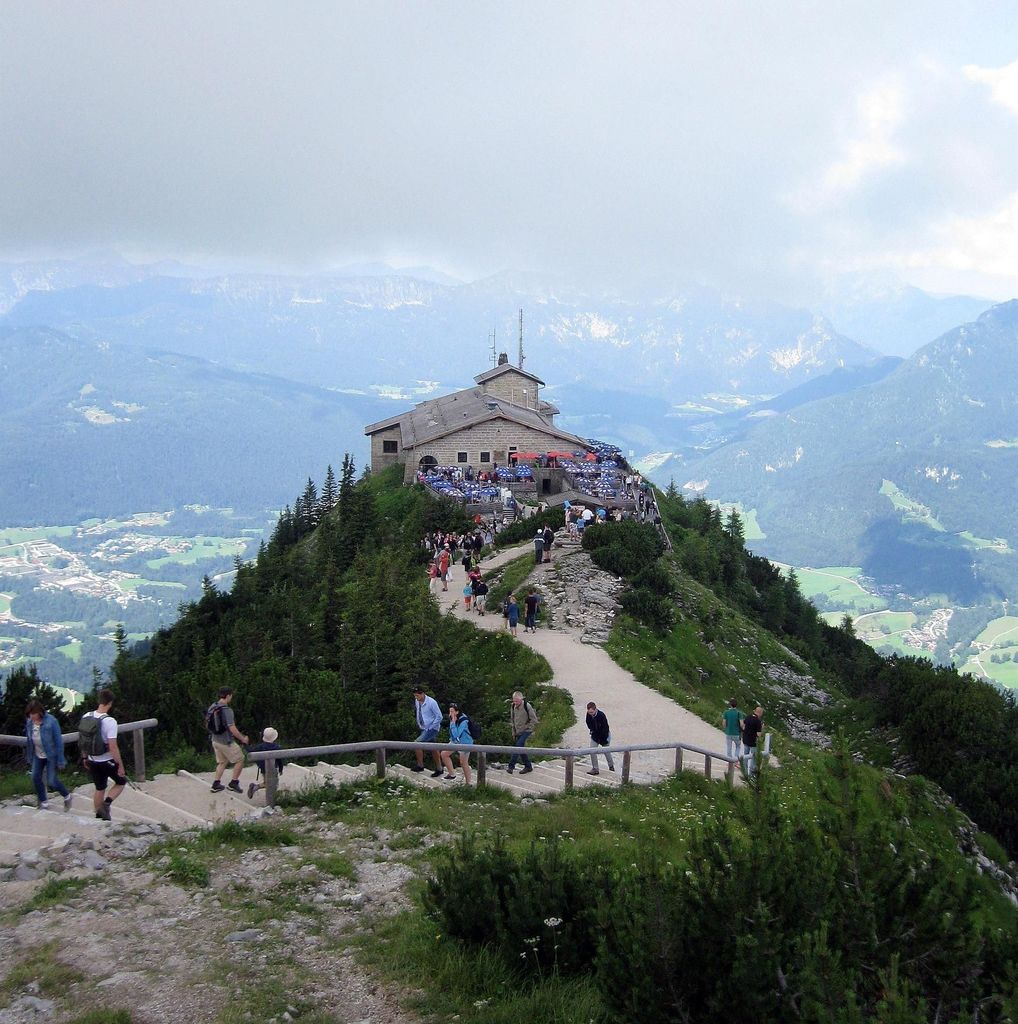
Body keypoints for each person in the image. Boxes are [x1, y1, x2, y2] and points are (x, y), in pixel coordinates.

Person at [80, 688, 127, 821]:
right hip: (106, 759)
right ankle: (106, 804)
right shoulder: (110, 721)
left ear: (99, 701)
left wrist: (84, 757)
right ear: (110, 703)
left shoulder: (86, 716)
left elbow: (84, 740)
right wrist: (120, 765)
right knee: (121, 781)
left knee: (99, 787)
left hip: (91, 759)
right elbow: (113, 746)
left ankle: (98, 816)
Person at [24, 699, 72, 811]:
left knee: (52, 781)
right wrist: (29, 756)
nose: (32, 716)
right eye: (30, 714)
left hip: (51, 755)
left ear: (39, 712)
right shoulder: (29, 722)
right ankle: (44, 802)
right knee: (35, 777)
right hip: (37, 754)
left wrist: (60, 759)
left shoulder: (51, 721)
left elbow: (58, 741)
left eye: (34, 713)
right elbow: (29, 740)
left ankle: (67, 795)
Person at [207, 687, 250, 793]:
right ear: (228, 696)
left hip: (215, 740)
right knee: (240, 759)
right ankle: (233, 783)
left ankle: (216, 784)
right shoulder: (227, 710)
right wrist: (243, 738)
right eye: (231, 695)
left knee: (222, 762)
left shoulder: (213, 706)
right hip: (226, 741)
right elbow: (232, 728)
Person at [412, 686, 444, 776]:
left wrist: (431, 727)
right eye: (415, 696)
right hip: (423, 727)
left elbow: (439, 716)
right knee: (433, 748)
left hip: (431, 728)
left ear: (422, 694)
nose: (416, 698)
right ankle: (439, 768)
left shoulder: (432, 702)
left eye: (417, 695)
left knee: (416, 744)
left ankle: (420, 765)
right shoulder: (417, 701)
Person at [440, 703, 473, 784]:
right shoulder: (453, 718)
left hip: (465, 743)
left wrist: (453, 723)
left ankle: (468, 783)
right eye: (449, 711)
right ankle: (452, 774)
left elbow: (456, 734)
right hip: (455, 741)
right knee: (444, 754)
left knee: (463, 762)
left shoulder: (464, 721)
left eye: (452, 711)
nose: (450, 713)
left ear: (457, 712)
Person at [247, 727, 284, 799]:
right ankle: (271, 799)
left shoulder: (260, 746)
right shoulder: (277, 747)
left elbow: (251, 751)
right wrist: (281, 769)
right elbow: (280, 760)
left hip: (263, 768)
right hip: (273, 768)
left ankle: (255, 788)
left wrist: (245, 744)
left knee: (267, 783)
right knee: (273, 784)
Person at [507, 691, 538, 774]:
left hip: (526, 730)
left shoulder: (527, 706)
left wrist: (528, 727)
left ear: (521, 699)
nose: (515, 702)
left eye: (516, 701)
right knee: (521, 748)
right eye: (514, 701)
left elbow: (534, 719)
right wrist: (513, 732)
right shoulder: (513, 706)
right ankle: (528, 766)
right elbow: (512, 720)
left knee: (518, 746)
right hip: (518, 731)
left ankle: (511, 767)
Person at [584, 701, 615, 775]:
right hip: (595, 735)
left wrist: (603, 739)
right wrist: (593, 731)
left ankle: (611, 766)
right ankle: (595, 769)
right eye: (589, 712)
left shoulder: (601, 715)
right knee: (592, 751)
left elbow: (606, 728)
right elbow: (588, 724)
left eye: (592, 712)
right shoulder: (588, 714)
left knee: (606, 751)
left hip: (604, 736)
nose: (590, 714)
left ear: (595, 709)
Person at [741, 706, 764, 776]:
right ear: (760, 713)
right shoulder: (758, 721)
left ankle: (744, 773)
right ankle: (751, 774)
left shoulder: (748, 717)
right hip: (753, 742)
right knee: (753, 758)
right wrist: (762, 728)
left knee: (746, 756)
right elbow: (758, 734)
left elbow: (743, 726)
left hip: (745, 740)